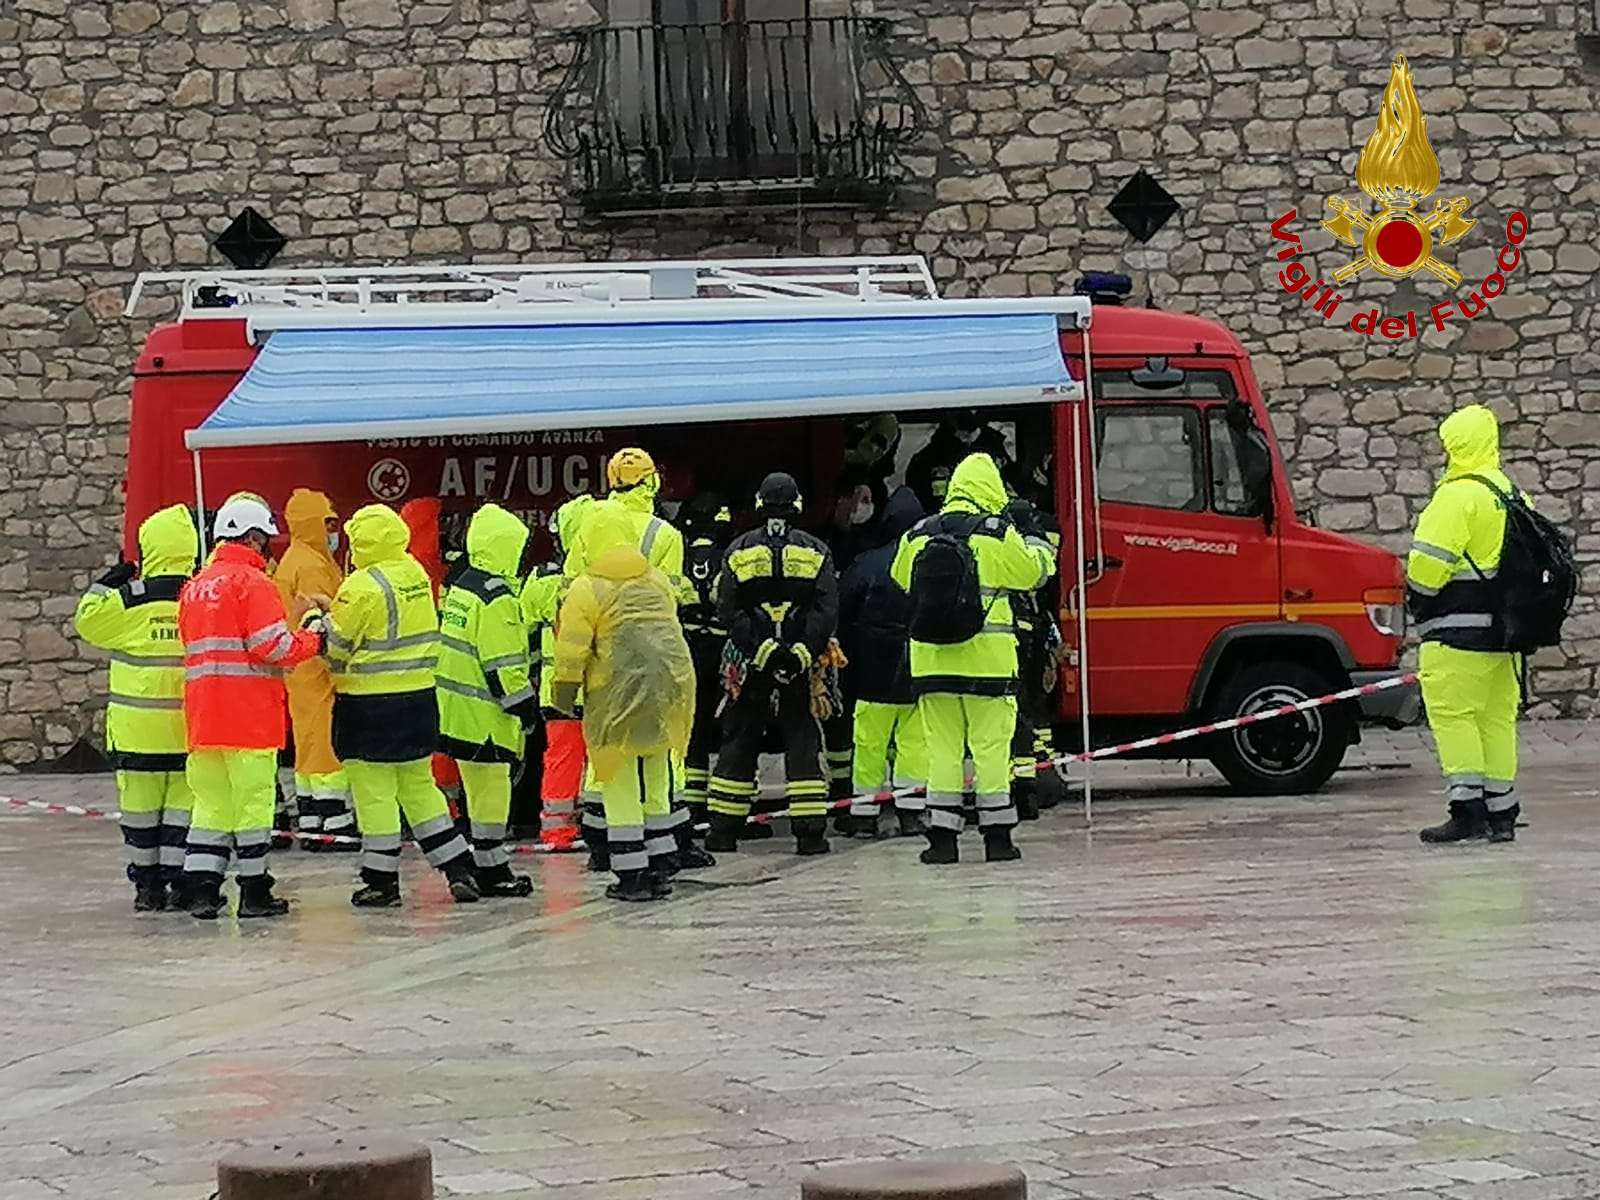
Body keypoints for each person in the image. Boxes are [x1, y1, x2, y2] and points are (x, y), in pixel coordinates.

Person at [890, 453, 1056, 864]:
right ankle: (997, 838)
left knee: (942, 750)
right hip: (988, 666)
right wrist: (1035, 540)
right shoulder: (997, 534)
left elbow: (899, 578)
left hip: (931, 665)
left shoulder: (918, 534)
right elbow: (1035, 574)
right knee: (990, 751)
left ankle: (942, 842)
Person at [321, 503, 481, 907]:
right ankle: (458, 867)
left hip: (367, 706)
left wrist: (315, 622)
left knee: (375, 796)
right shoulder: (415, 574)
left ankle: (381, 881)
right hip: (419, 700)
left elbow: (336, 651)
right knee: (420, 789)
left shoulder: (358, 587)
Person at [179, 494, 325, 919]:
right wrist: (314, 639)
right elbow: (273, 645)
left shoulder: (195, 587)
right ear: (255, 537)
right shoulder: (254, 583)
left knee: (209, 806)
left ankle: (204, 891)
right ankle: (255, 891)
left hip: (204, 718)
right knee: (253, 806)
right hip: (249, 719)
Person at [552, 502, 696, 901]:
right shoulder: (656, 580)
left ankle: (631, 874)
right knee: (656, 777)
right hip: (669, 691)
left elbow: (571, 654)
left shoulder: (586, 587)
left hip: (615, 698)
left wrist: (563, 698)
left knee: (619, 783)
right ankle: (662, 864)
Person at [1406, 404, 1524, 845]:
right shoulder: (1511, 493)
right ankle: (1502, 814)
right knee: (1497, 720)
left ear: (1455, 445)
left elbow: (1426, 572)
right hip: (1506, 637)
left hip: (1456, 634)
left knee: (1456, 717)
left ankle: (1466, 810)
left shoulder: (1456, 497)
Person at [705, 473, 839, 856]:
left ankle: (723, 832)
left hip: (749, 664)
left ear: (760, 504)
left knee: (740, 739)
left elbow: (727, 607)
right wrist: (801, 651)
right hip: (801, 662)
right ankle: (810, 834)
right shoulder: (816, 551)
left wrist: (760, 648)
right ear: (797, 505)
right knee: (802, 738)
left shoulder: (738, 549)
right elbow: (826, 608)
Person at [74, 505, 198, 912]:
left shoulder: (127, 603)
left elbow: (86, 621)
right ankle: (179, 883)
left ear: (149, 552)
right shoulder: (200, 600)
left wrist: (109, 581)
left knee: (140, 815)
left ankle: (147, 889)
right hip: (188, 733)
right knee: (183, 813)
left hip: (136, 734)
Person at [436, 503, 537, 897]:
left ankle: (481, 864)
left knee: (476, 794)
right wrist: (524, 710)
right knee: (494, 796)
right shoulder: (498, 598)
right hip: (489, 720)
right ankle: (495, 871)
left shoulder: (462, 586)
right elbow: (504, 666)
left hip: (457, 714)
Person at [837, 486, 927, 839]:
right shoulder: (927, 560)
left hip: (870, 674)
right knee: (913, 746)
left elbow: (842, 614)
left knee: (869, 746)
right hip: (915, 670)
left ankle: (863, 815)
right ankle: (910, 814)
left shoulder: (865, 563)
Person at [273, 488, 355, 850]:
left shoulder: (301, 558)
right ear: (312, 524)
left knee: (308, 743)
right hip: (318, 666)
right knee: (325, 743)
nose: (334, 530)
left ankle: (310, 819)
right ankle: (334, 822)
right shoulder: (311, 565)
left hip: (300, 667)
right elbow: (322, 618)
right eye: (328, 523)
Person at [522, 494, 595, 853]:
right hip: (598, 689)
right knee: (604, 767)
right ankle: (601, 828)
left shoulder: (542, 579)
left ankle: (557, 833)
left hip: (558, 691)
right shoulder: (605, 579)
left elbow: (523, 625)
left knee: (561, 761)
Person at [677, 492, 736, 829]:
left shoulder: (679, 553)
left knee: (693, 729)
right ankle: (727, 809)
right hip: (724, 652)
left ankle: (693, 806)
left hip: (687, 650)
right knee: (732, 727)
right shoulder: (727, 555)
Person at [1003, 497, 1064, 822]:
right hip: (1034, 633)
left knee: (1021, 711)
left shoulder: (1009, 545)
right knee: (1035, 711)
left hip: (1014, 637)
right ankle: (1042, 775)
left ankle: (1034, 781)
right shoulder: (1042, 537)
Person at [905, 409, 1013, 516]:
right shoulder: (931, 456)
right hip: (942, 520)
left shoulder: (994, 448)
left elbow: (1018, 484)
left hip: (991, 517)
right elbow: (916, 494)